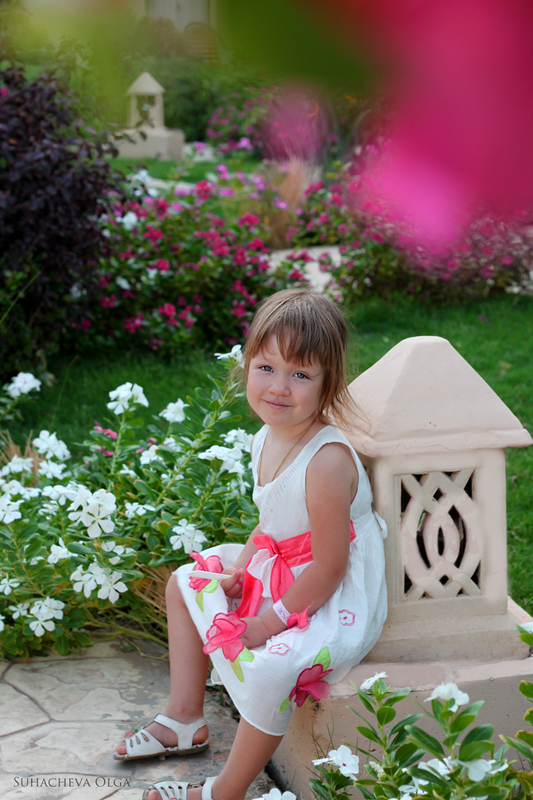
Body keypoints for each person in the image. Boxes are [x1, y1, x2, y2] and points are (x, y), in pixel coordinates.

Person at [114, 289, 388, 800]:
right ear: (246, 366)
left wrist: (268, 621)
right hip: (283, 563)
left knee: (271, 668)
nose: (279, 387)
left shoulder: (326, 462)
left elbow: (330, 566)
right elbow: (271, 522)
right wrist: (241, 567)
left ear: (328, 383)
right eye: (266, 367)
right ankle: (184, 717)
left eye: (300, 375)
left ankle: (227, 790)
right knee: (186, 583)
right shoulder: (266, 436)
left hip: (327, 594)